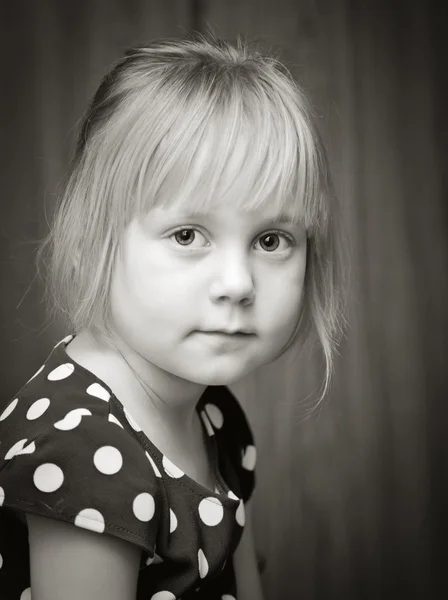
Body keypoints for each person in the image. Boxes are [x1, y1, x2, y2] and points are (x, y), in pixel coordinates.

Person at [0, 29, 348, 600]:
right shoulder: (83, 454)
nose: (237, 284)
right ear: (96, 239)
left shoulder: (210, 410)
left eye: (271, 240)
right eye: (188, 234)